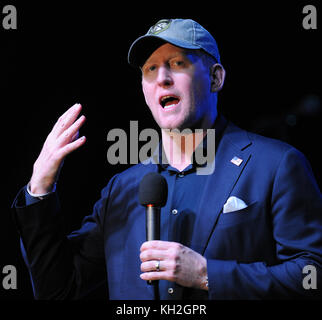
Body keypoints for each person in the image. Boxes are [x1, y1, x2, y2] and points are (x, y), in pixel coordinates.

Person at [12, 18, 322, 300]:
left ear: (215, 78)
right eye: (150, 68)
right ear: (144, 90)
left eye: (177, 63)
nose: (162, 78)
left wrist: (207, 275)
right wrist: (40, 186)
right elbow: (58, 290)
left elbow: (311, 276)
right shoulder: (122, 189)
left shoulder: (276, 165)